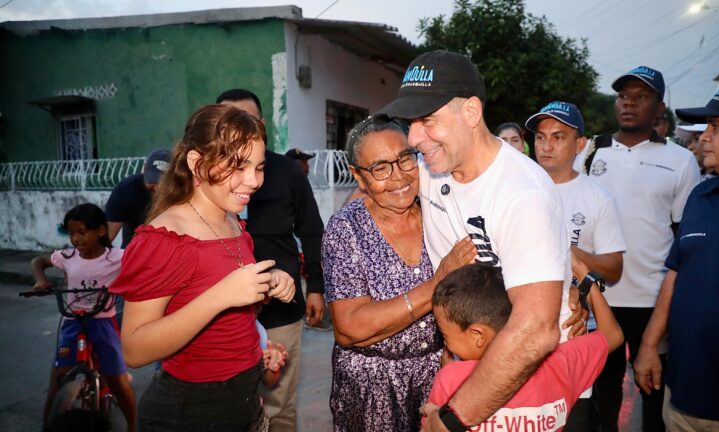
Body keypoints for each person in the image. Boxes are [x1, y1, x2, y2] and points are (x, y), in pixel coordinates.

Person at [377, 50, 586, 432]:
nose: (413, 137)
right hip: (470, 369)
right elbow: (369, 195)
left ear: (471, 113)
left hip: (531, 380)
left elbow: (534, 332)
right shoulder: (432, 167)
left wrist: (454, 420)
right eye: (410, 123)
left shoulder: (523, 193)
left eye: (427, 121)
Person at [109, 104, 295, 431]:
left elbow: (230, 313)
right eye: (238, 166)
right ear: (196, 163)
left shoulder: (233, 222)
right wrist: (220, 296)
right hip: (189, 412)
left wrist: (265, 291)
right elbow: (135, 350)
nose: (253, 181)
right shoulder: (163, 238)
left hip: (244, 402)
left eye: (259, 167)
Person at [322, 116, 477, 431]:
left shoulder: (439, 210)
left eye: (405, 159)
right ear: (358, 176)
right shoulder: (346, 228)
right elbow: (350, 327)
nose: (398, 177)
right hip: (371, 387)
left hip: (440, 373)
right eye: (380, 168)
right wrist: (435, 285)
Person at [634, 74, 719, 431]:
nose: (703, 136)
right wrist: (649, 345)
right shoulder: (701, 197)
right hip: (682, 402)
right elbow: (676, 273)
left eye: (717, 126)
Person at [573, 66, 700, 432]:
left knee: (652, 391)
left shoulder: (680, 160)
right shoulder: (593, 152)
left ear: (659, 107)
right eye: (623, 96)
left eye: (640, 97)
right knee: (602, 394)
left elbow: (683, 235)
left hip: (653, 301)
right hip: (598, 298)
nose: (628, 104)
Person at [216, 88, 326, 431]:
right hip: (220, 316)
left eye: (244, 120)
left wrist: (315, 288)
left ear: (261, 125)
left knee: (278, 405)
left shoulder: (287, 173)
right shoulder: (206, 179)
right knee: (228, 406)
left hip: (280, 311)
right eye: (226, 122)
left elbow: (311, 230)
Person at [526, 101, 626, 430]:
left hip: (577, 332)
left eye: (558, 137)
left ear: (579, 145)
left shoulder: (597, 197)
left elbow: (613, 267)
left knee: (576, 419)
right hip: (523, 326)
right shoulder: (519, 188)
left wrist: (573, 255)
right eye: (540, 137)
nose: (546, 146)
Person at [426, 263, 623, 431]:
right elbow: (612, 335)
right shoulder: (560, 364)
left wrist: (447, 373)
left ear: (478, 335)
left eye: (444, 335)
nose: (445, 343)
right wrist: (584, 275)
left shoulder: (450, 379)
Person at [30, 203, 136, 431]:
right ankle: (48, 425)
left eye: (81, 232)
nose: (75, 239)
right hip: (72, 321)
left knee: (118, 380)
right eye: (71, 233)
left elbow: (143, 265)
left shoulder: (116, 257)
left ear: (100, 231)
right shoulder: (67, 256)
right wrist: (41, 280)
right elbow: (38, 261)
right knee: (57, 380)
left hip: (103, 322)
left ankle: (134, 425)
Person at [105, 148, 170, 248]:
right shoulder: (126, 189)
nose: (158, 187)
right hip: (133, 249)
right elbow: (108, 235)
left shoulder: (184, 192)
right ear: (144, 169)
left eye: (163, 181)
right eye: (153, 181)